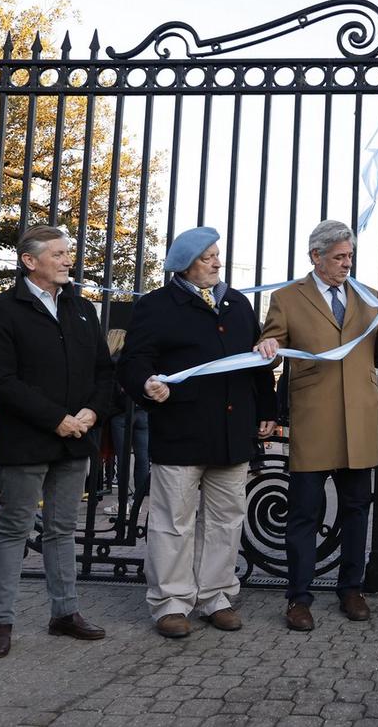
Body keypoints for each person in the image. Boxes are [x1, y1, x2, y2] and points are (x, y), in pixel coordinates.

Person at [118, 227, 277, 638]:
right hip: (182, 430)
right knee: (174, 521)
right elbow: (134, 361)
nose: (217, 263)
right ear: (185, 264)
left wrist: (268, 408)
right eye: (208, 257)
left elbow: (255, 360)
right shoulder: (157, 306)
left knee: (225, 520)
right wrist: (146, 385)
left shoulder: (237, 303)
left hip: (232, 431)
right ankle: (170, 602)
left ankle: (216, 597)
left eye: (217, 256)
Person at [255, 220, 378, 631]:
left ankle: (350, 589)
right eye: (339, 257)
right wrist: (266, 348)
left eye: (350, 256)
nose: (347, 264)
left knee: (357, 509)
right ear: (315, 257)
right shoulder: (287, 297)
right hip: (314, 418)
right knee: (304, 513)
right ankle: (298, 598)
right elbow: (270, 349)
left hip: (359, 417)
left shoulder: (367, 295)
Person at [0, 225, 115, 659]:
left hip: (77, 439)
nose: (66, 260)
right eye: (57, 253)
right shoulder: (3, 309)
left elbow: (104, 372)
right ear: (30, 261)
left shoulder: (81, 308)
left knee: (61, 529)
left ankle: (64, 613)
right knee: (14, 529)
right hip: (29, 440)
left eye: (67, 253)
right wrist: (56, 419)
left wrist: (93, 412)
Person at [106, 328, 150, 499]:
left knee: (123, 457)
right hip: (141, 411)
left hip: (121, 414)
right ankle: (140, 494)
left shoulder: (112, 361)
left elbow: (111, 391)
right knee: (142, 455)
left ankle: (123, 497)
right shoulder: (135, 360)